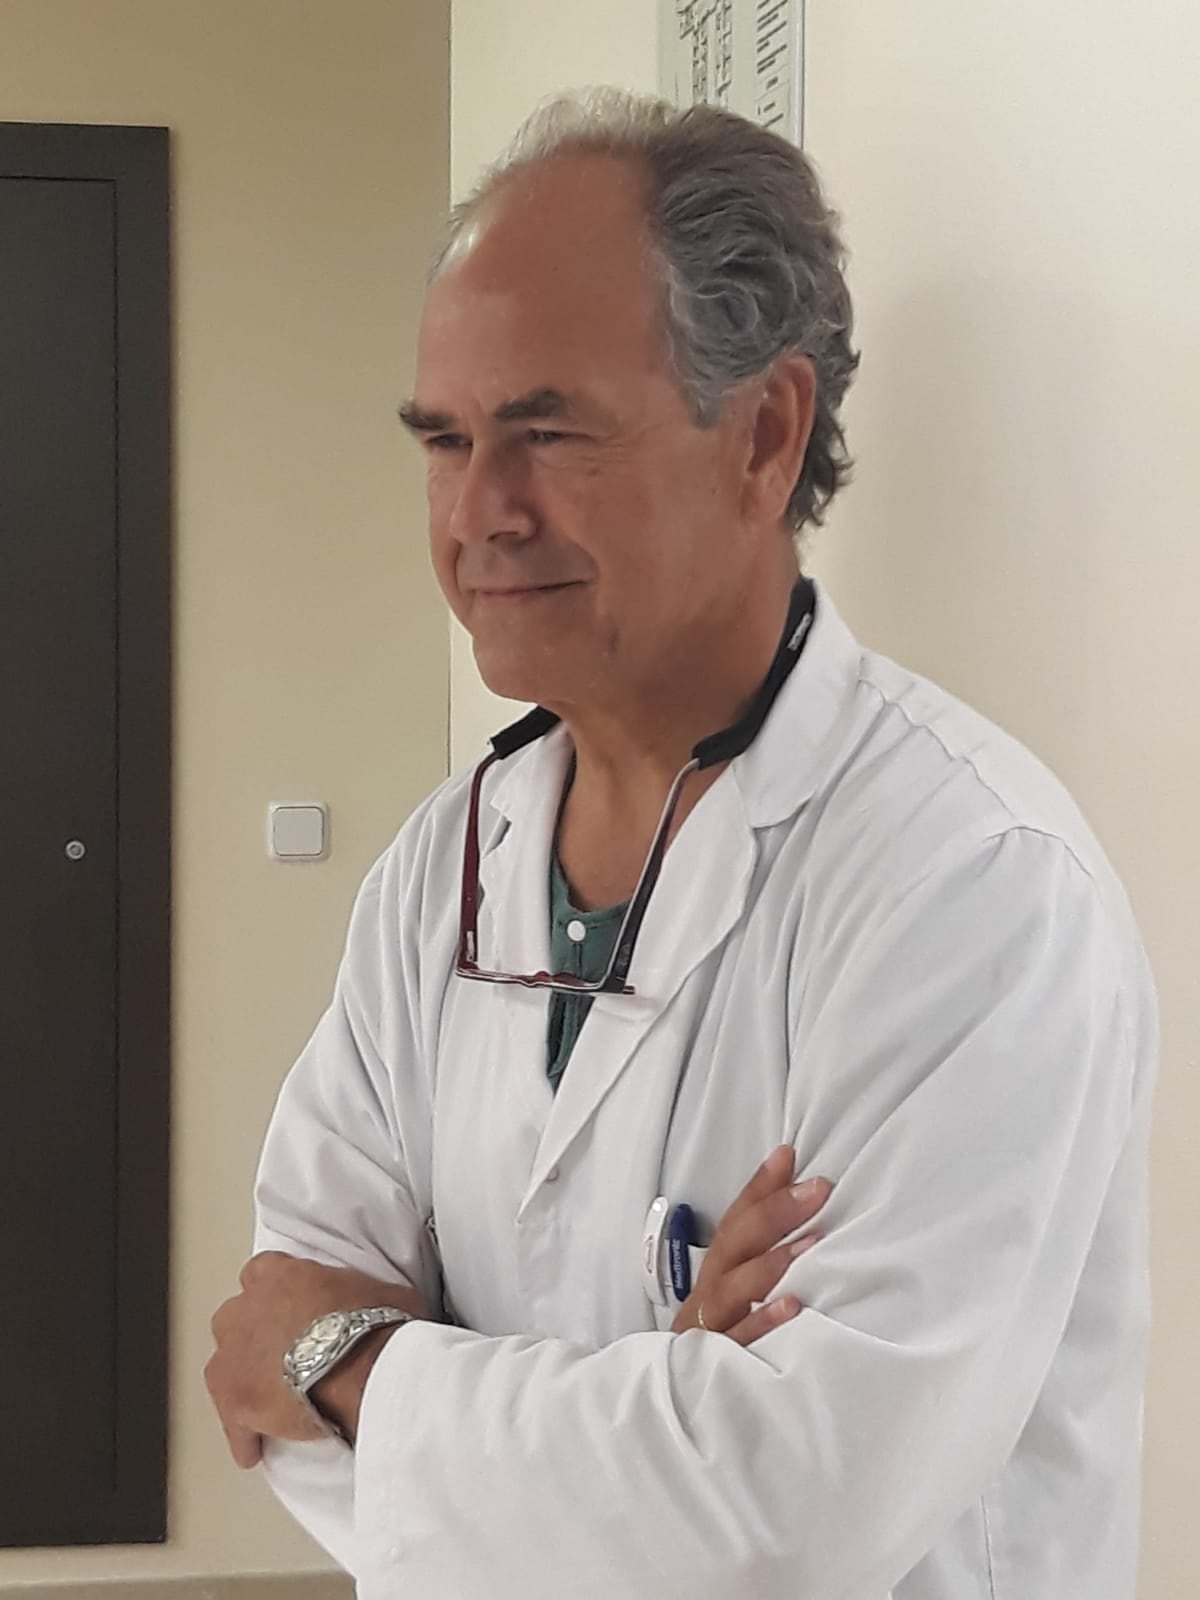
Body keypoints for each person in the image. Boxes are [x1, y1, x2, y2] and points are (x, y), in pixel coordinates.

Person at [205, 90, 1157, 1600]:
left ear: (765, 435)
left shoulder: (973, 884)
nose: (479, 513)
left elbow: (793, 1509)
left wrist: (364, 1366)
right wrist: (665, 1403)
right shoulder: (440, 872)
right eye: (445, 441)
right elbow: (272, 1378)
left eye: (547, 432)